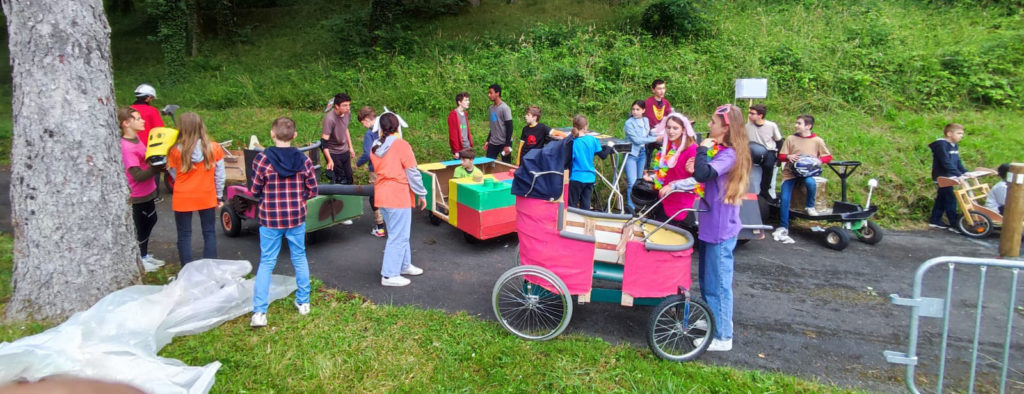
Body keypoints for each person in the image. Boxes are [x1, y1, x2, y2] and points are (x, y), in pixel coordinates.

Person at [690, 104, 751, 352]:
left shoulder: (730, 154)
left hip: (720, 229)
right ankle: (713, 319)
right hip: (710, 225)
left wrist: (702, 150)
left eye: (713, 122)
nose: (709, 125)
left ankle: (723, 336)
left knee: (719, 284)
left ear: (726, 127)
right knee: (707, 281)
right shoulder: (724, 151)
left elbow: (703, 173)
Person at [249, 117, 319, 328]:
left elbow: (254, 190)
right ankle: (304, 302)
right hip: (296, 216)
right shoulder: (304, 160)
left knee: (267, 261)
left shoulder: (262, 160)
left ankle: (260, 312)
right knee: (299, 256)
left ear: (272, 134)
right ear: (294, 136)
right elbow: (312, 190)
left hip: (270, 218)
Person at [370, 113, 428, 287]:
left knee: (399, 233)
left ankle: (403, 265)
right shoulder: (401, 145)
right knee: (398, 236)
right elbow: (412, 171)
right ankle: (389, 274)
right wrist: (422, 193)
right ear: (397, 127)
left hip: (382, 193)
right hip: (397, 194)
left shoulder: (375, 145)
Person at [167, 112, 225, 265]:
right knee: (209, 232)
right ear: (201, 126)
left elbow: (173, 173)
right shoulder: (214, 148)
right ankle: (209, 268)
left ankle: (187, 270)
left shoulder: (174, 150)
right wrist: (218, 196)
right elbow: (220, 175)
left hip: (182, 196)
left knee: (184, 235)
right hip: (206, 195)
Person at [118, 107, 165, 271]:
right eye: (137, 119)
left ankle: (143, 254)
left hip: (148, 191)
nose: (142, 120)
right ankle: (141, 257)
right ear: (126, 123)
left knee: (150, 220)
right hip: (138, 194)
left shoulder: (136, 139)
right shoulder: (127, 147)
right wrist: (157, 169)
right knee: (142, 225)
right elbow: (137, 174)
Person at [773, 115, 833, 243]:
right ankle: (784, 226)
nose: (796, 125)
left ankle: (810, 206)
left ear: (808, 126)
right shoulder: (791, 138)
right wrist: (789, 156)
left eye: (799, 123)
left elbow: (828, 157)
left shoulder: (817, 141)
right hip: (790, 174)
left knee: (811, 183)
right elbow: (781, 156)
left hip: (807, 173)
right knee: (784, 199)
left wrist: (818, 160)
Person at [651, 112, 699, 227]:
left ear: (683, 129)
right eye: (668, 127)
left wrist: (694, 171)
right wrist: (653, 177)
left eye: (675, 128)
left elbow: (698, 180)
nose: (671, 131)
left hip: (680, 202)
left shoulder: (693, 149)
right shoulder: (669, 147)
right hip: (665, 198)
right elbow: (666, 171)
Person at [355, 106, 387, 237]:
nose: (363, 126)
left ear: (367, 119)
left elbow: (368, 153)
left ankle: (380, 227)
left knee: (375, 196)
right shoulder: (385, 129)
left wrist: (358, 163)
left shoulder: (369, 133)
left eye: (363, 123)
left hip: (375, 169)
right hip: (388, 167)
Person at [929, 123, 968, 230]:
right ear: (949, 133)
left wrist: (964, 172)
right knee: (950, 199)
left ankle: (935, 220)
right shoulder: (941, 145)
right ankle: (954, 224)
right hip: (942, 177)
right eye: (959, 133)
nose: (961, 136)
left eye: (962, 134)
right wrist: (958, 174)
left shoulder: (954, 145)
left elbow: (957, 161)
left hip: (951, 177)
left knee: (942, 198)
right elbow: (945, 162)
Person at [568, 115, 612, 210]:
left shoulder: (572, 142)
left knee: (572, 205)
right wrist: (609, 146)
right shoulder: (593, 140)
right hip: (589, 178)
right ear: (585, 127)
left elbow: (568, 160)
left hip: (576, 177)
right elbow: (603, 155)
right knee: (586, 204)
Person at [624, 100, 658, 212]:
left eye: (638, 109)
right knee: (632, 182)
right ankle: (630, 208)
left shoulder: (646, 120)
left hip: (642, 153)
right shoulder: (629, 123)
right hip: (632, 154)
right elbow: (637, 140)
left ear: (643, 110)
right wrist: (655, 139)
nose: (635, 112)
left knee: (639, 182)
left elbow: (649, 134)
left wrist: (659, 134)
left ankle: (638, 207)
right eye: (633, 109)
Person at [745, 104, 782, 199]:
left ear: (760, 115)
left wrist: (779, 157)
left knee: (768, 166)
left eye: (752, 113)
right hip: (753, 150)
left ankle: (765, 190)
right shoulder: (747, 126)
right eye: (749, 113)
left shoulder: (771, 126)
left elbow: (779, 141)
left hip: (768, 150)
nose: (749, 115)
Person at [321, 93, 356, 186]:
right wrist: (329, 160)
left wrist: (350, 147)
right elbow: (323, 143)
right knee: (340, 180)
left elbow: (345, 129)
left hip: (344, 150)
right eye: (345, 105)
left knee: (349, 179)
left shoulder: (347, 113)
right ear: (336, 106)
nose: (348, 108)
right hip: (333, 153)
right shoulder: (329, 119)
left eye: (349, 105)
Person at [484, 84, 514, 163]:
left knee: (506, 165)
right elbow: (493, 126)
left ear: (497, 93)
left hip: (504, 143)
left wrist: (507, 145)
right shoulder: (491, 108)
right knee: (488, 163)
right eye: (488, 93)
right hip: (493, 142)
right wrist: (488, 140)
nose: (489, 95)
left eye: (491, 93)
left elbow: (510, 127)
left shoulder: (505, 108)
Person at [447, 92, 474, 159]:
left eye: (468, 100)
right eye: (466, 100)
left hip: (467, 146)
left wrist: (470, 144)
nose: (468, 102)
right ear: (459, 102)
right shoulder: (453, 115)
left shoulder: (464, 114)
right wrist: (456, 151)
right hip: (459, 149)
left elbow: (466, 131)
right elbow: (453, 134)